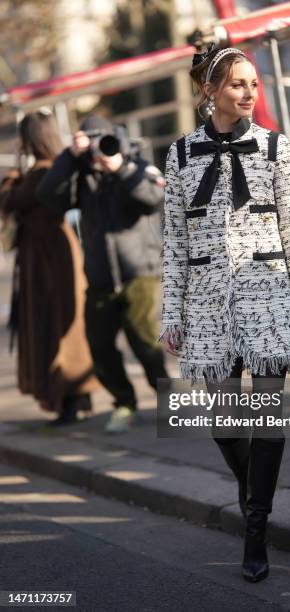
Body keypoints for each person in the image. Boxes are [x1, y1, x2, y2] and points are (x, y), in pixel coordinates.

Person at [159, 46, 290, 582]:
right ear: (211, 91)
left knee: (267, 422)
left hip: (270, 295)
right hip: (206, 306)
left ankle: (256, 527)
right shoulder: (180, 156)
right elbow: (174, 244)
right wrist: (172, 313)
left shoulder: (275, 147)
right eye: (237, 84)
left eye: (253, 83)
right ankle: (251, 488)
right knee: (227, 425)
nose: (250, 93)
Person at [37, 115, 170, 434]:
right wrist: (70, 157)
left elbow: (152, 201)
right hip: (99, 275)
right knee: (99, 346)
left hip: (140, 272)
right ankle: (124, 403)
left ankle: (169, 401)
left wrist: (119, 167)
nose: (99, 149)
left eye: (103, 141)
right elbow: (48, 197)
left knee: (144, 343)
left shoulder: (135, 164)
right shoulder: (81, 173)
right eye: (91, 142)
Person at [0, 110, 97, 425]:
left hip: (45, 258)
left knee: (53, 322)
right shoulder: (55, 166)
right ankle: (72, 398)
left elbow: (12, 200)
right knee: (58, 321)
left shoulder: (43, 172)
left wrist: (14, 173)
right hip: (51, 253)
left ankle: (67, 397)